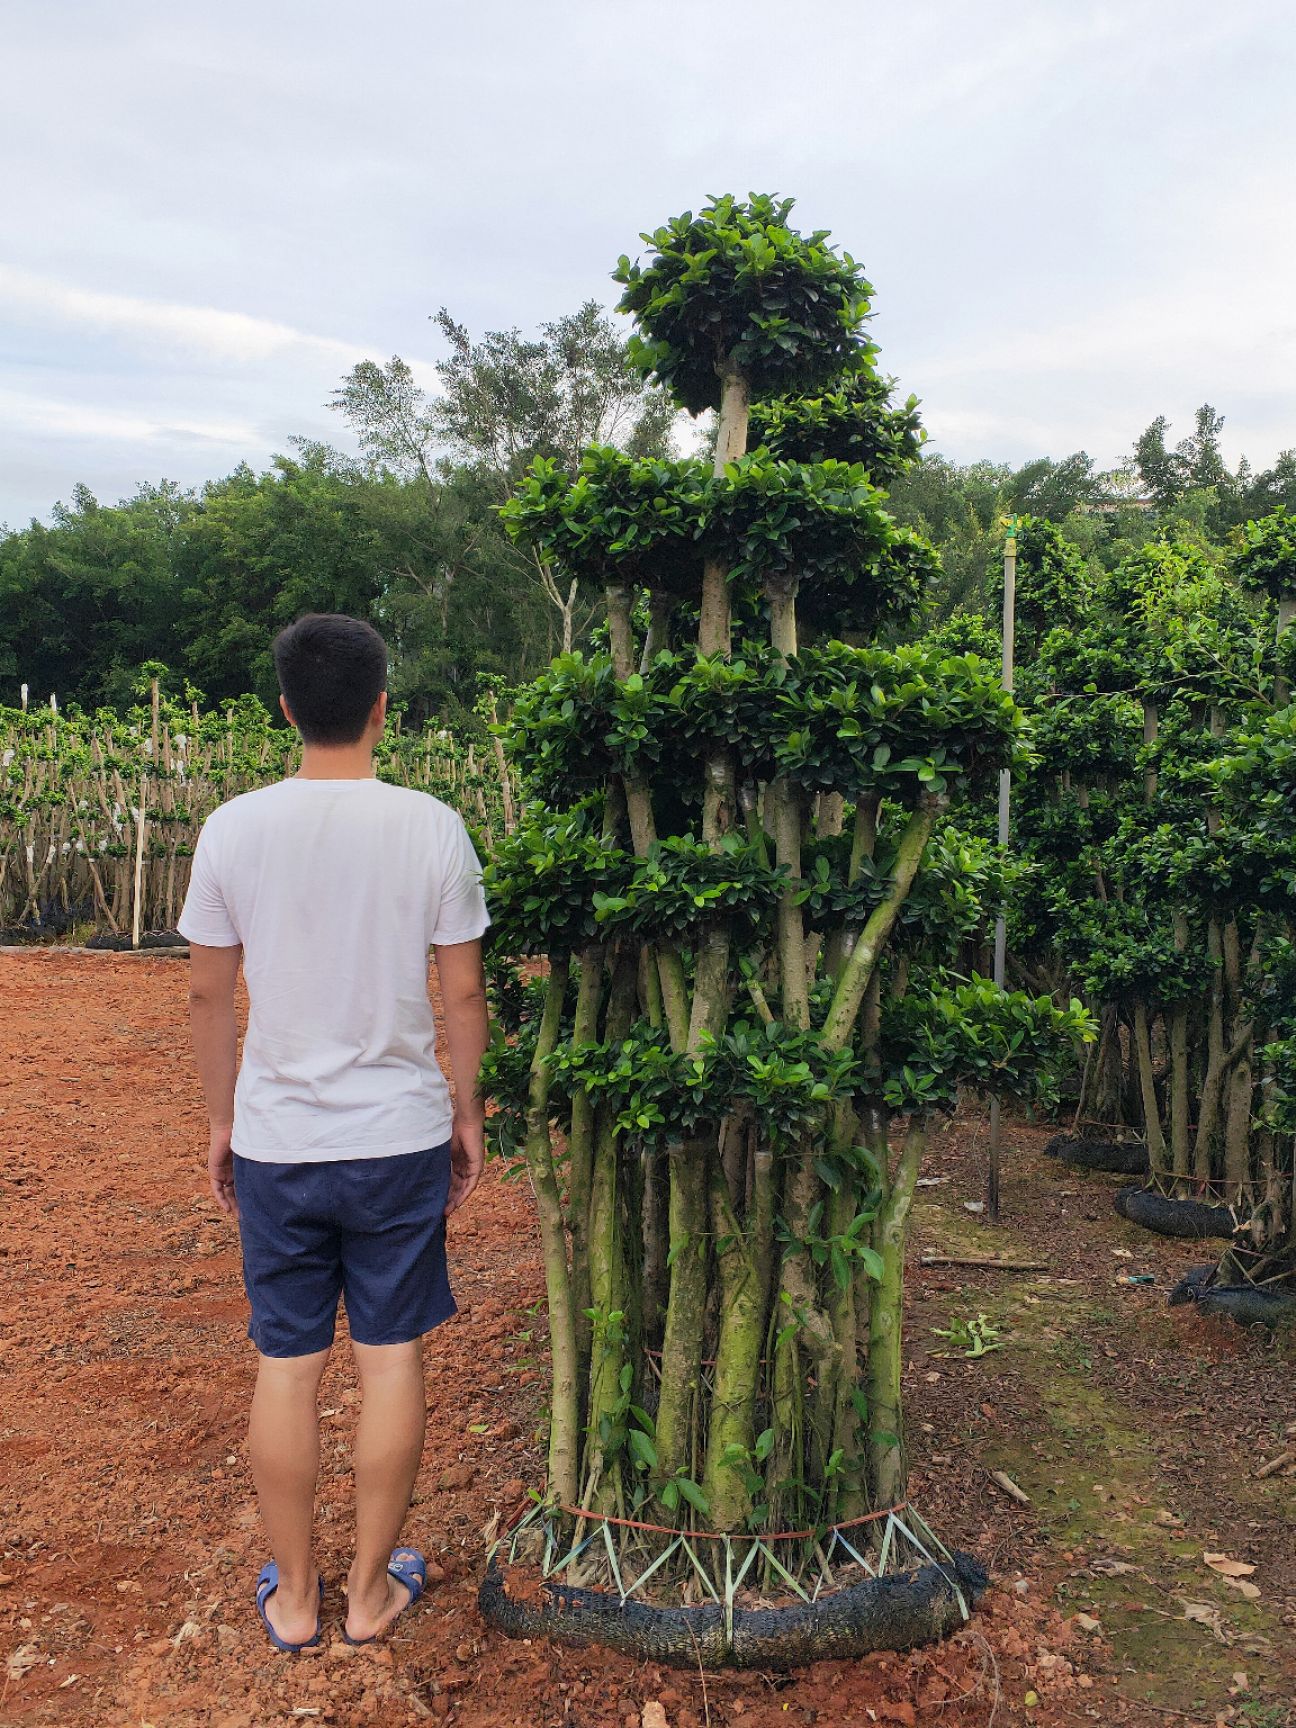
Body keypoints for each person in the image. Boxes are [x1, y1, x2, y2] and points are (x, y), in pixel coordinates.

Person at [178, 613, 491, 1652]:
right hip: (397, 1136)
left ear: (284, 709)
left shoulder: (233, 827)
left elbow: (210, 999)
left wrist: (224, 1119)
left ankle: (298, 1600)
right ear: (381, 709)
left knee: (289, 1362)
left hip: (278, 1140)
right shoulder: (431, 824)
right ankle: (368, 1595)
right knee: (390, 1360)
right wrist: (467, 1109)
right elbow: (463, 991)